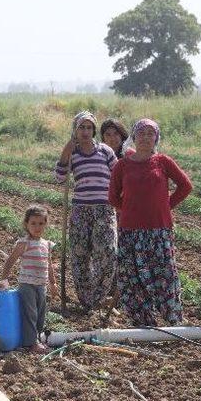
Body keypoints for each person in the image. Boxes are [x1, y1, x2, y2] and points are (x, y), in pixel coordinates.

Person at [108, 118, 192, 326]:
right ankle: (143, 321)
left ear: (156, 138)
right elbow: (112, 197)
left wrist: (165, 206)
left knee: (165, 274)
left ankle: (172, 319)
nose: (146, 137)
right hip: (130, 230)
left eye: (150, 133)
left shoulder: (162, 162)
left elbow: (185, 186)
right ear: (134, 137)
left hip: (159, 230)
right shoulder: (123, 165)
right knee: (134, 275)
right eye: (141, 133)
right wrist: (128, 209)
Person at [55, 111, 118, 312]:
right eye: (81, 127)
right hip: (81, 210)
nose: (85, 131)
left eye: (89, 127)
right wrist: (67, 148)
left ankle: (98, 297)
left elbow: (118, 175)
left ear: (94, 130)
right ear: (75, 129)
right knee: (80, 255)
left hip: (104, 210)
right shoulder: (73, 153)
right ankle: (86, 300)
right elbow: (60, 177)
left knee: (108, 253)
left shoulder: (105, 151)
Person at [0, 205, 58, 353]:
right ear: (26, 224)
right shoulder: (24, 243)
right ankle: (31, 343)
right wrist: (4, 279)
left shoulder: (46, 244)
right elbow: (10, 261)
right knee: (30, 312)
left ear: (46, 224)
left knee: (40, 313)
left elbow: (49, 264)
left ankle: (36, 338)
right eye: (33, 223)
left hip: (41, 285)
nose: (37, 227)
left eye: (41, 223)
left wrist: (53, 283)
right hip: (27, 284)